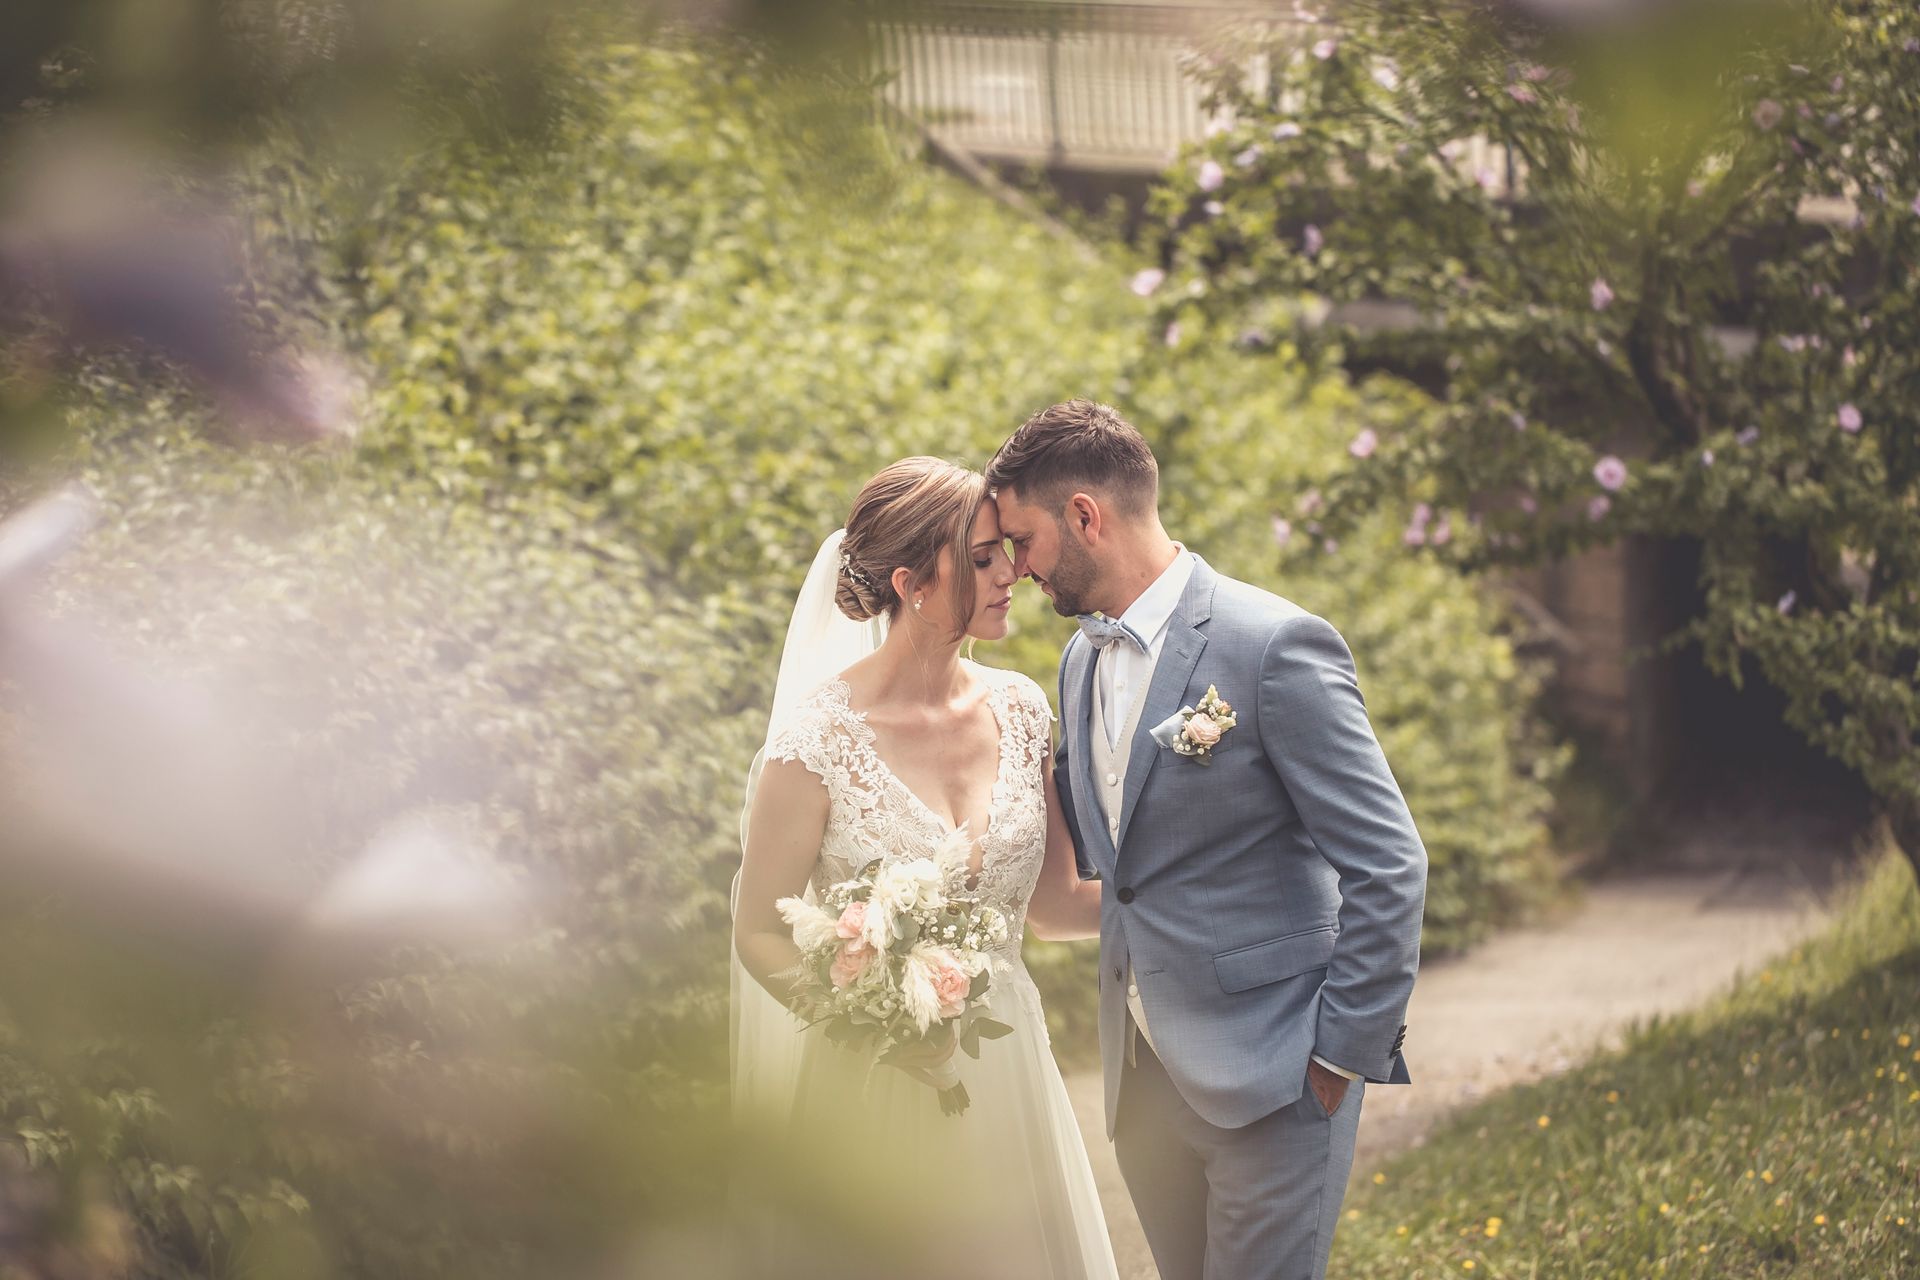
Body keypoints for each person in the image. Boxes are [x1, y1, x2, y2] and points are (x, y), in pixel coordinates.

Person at [987, 400, 1428, 1280]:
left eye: (1023, 540)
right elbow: (1114, 868)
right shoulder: (1078, 661)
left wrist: (1340, 1055)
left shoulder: (1273, 646)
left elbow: (1389, 862)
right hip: (1145, 1088)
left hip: (1278, 1077)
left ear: (1085, 516)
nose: (1015, 566)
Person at [731, 456, 1119, 1280]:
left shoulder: (1021, 710)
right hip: (875, 1080)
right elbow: (758, 930)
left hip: (1010, 1068)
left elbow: (1053, 907)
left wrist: (1194, 897)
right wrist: (871, 1018)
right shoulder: (814, 744)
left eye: (1005, 550)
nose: (1011, 572)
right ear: (911, 583)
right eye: (981, 558)